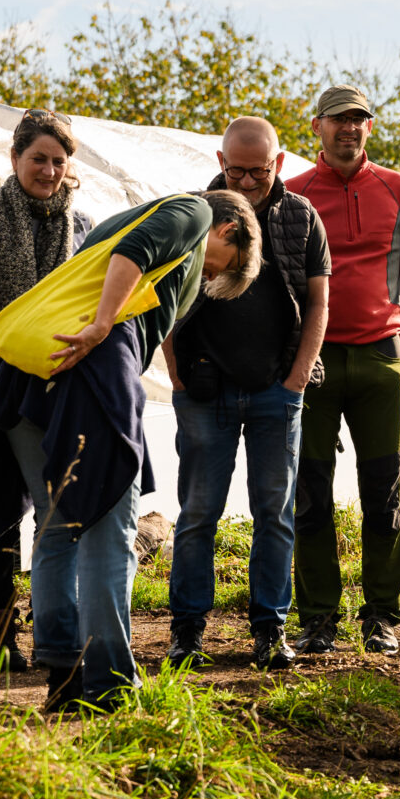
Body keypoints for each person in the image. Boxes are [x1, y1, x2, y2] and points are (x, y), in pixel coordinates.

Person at [0, 187, 254, 714]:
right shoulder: (193, 212)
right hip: (89, 371)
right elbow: (134, 256)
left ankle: (64, 676)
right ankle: (109, 684)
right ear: (229, 230)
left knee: (56, 528)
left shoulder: (115, 222)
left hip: (25, 373)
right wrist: (103, 325)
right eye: (221, 267)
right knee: (109, 532)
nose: (210, 277)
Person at [159, 118, 332, 673]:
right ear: (220, 158)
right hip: (204, 392)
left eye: (261, 169)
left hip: (274, 391)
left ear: (278, 162)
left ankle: (269, 629)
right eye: (239, 169)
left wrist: (298, 378)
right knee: (198, 515)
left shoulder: (302, 217)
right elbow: (158, 291)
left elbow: (320, 301)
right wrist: (175, 370)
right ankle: (187, 631)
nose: (251, 179)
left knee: (274, 513)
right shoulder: (193, 212)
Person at [0, 108, 98, 674]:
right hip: (0, 388)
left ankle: (58, 627)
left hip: (60, 386)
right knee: (2, 508)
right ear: (14, 159)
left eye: (59, 161)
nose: (50, 170)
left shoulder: (81, 228)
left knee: (60, 508)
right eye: (39, 158)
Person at [284, 86, 400, 658]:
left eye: (358, 121)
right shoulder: (295, 194)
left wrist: (396, 337)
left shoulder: (398, 189)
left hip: (379, 359)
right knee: (311, 494)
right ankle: (319, 617)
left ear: (369, 129)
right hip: (313, 361)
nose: (348, 130)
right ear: (316, 127)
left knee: (384, 492)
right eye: (337, 121)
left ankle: (380, 616)